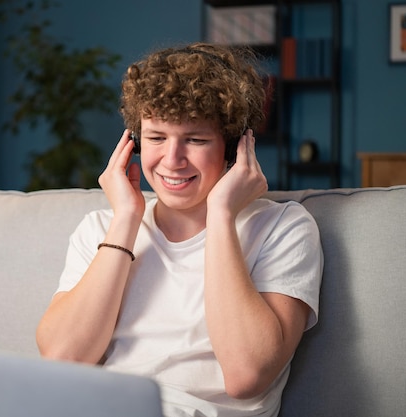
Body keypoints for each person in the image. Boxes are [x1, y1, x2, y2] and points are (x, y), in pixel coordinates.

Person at [36, 42, 323, 417]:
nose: (172, 161)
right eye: (156, 137)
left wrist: (221, 214)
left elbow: (246, 375)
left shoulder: (283, 228)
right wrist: (126, 219)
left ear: (233, 149)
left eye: (195, 139)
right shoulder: (102, 228)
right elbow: (62, 359)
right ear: (134, 143)